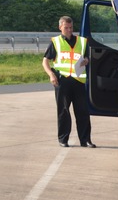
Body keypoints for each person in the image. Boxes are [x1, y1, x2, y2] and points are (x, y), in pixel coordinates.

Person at [42, 16, 96, 148]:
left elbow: (87, 58)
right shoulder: (55, 42)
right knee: (64, 111)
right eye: (66, 28)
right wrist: (51, 75)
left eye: (71, 28)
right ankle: (63, 139)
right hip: (62, 81)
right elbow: (45, 61)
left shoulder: (82, 42)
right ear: (60, 27)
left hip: (78, 81)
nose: (69, 30)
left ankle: (86, 140)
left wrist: (86, 61)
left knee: (82, 111)